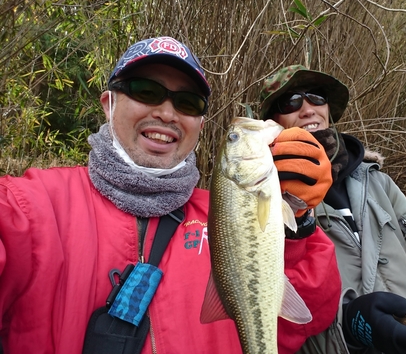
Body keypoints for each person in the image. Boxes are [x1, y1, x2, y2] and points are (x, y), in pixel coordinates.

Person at [0, 37, 342, 354]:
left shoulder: (221, 213)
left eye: (187, 102)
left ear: (200, 126)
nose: (166, 113)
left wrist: (299, 220)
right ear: (109, 104)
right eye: (146, 90)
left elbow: (299, 322)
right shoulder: (29, 206)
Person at [259, 65, 406, 354]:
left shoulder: (376, 182)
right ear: (272, 121)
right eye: (291, 102)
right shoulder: (263, 199)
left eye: (316, 97)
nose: (309, 108)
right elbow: (274, 315)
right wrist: (350, 329)